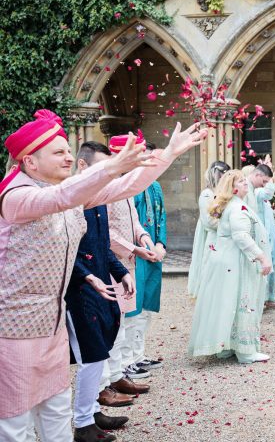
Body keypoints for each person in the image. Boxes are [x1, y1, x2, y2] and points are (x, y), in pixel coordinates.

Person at [0, 110, 205, 441]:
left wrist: (168, 153)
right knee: (15, 421)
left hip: (50, 322)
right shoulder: (17, 196)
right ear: (30, 162)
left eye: (68, 149)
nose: (69, 155)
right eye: (59, 152)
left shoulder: (67, 191)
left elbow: (125, 187)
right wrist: (111, 166)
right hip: (12, 326)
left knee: (55, 410)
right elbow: (59, 198)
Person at [66, 142, 135, 442]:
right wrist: (88, 277)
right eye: (101, 167)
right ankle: (82, 424)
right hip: (79, 289)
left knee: (102, 348)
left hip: (100, 284)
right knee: (91, 356)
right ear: (83, 166)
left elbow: (102, 245)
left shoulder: (100, 200)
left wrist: (121, 272)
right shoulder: (70, 200)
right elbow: (69, 252)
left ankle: (92, 412)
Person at [189, 170, 273, 363]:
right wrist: (262, 258)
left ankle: (227, 346)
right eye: (241, 181)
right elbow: (241, 236)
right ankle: (245, 351)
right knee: (244, 300)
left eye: (245, 180)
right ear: (233, 188)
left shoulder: (235, 205)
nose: (246, 184)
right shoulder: (237, 208)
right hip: (236, 262)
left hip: (228, 261)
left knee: (229, 302)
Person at [105, 132, 157, 389]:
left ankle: (121, 370)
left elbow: (133, 219)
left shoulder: (126, 184)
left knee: (126, 318)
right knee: (116, 320)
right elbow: (106, 230)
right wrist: (133, 249)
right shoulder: (107, 184)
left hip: (128, 262)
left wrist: (144, 237)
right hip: (111, 263)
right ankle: (115, 374)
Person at [129, 141, 167, 375]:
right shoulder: (129, 186)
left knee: (147, 306)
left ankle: (139, 354)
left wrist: (161, 243)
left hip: (154, 251)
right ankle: (128, 360)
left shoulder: (155, 186)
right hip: (136, 252)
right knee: (133, 305)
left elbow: (162, 215)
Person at [243, 164, 275, 310]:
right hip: (256, 235)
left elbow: (262, 209)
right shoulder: (253, 190)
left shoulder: (255, 190)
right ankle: (259, 300)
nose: (265, 184)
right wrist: (274, 182)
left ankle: (268, 298)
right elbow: (266, 194)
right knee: (261, 266)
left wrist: (274, 212)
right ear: (257, 175)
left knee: (270, 265)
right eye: (265, 181)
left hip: (267, 234)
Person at [188, 161, 230, 298]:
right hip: (211, 234)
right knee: (208, 263)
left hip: (221, 234)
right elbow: (209, 220)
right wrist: (229, 225)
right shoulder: (207, 194)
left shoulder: (222, 193)